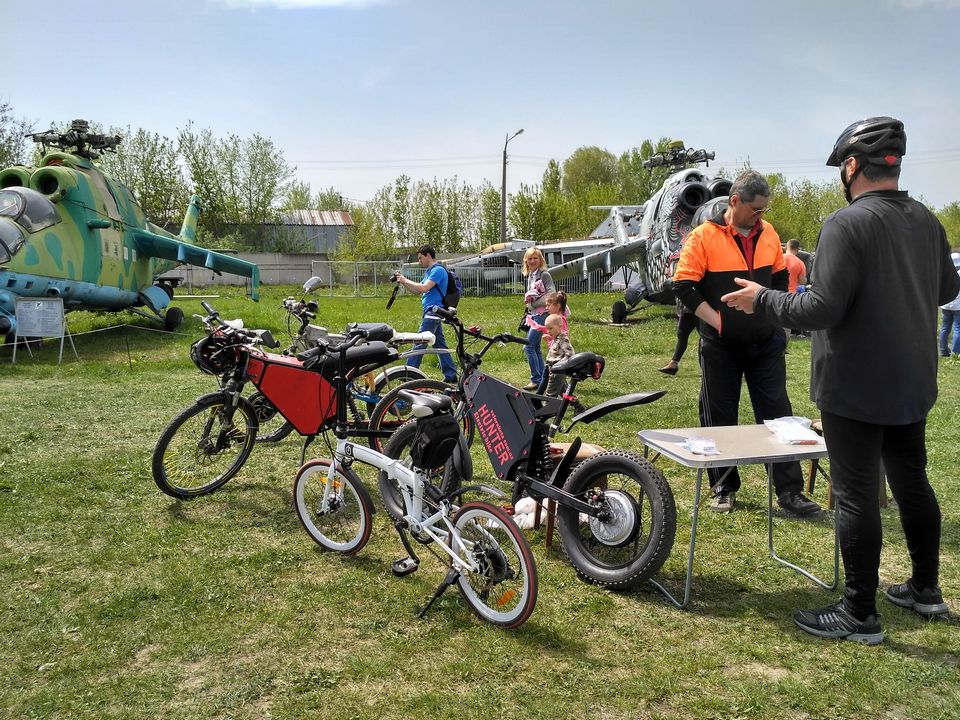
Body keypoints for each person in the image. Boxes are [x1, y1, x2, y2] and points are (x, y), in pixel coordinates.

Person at [721, 117, 959, 644]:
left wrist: (762, 299)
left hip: (854, 384)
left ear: (852, 166)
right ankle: (926, 589)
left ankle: (858, 612)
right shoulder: (926, 219)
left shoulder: (845, 224)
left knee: (855, 495)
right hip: (912, 377)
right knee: (912, 481)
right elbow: (946, 289)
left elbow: (821, 309)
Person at [672, 169, 821, 517]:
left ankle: (789, 491)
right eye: (756, 209)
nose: (761, 216)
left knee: (778, 414)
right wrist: (718, 322)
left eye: (764, 210)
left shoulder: (769, 233)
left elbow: (781, 279)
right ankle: (723, 486)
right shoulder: (703, 236)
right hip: (720, 346)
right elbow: (683, 286)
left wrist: (781, 324)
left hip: (765, 343)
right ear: (735, 201)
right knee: (719, 415)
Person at [393, 245, 458, 384]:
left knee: (420, 341)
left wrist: (405, 280)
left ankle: (408, 374)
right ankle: (451, 374)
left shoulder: (438, 270)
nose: (419, 261)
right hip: (430, 311)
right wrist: (403, 282)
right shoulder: (429, 272)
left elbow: (424, 288)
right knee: (439, 345)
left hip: (434, 311)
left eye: (420, 258)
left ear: (428, 255)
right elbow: (418, 291)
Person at [520, 247, 555, 391]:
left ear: (540, 260)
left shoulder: (544, 275)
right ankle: (542, 379)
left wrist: (533, 304)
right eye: (530, 258)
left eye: (535, 258)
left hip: (542, 314)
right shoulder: (530, 275)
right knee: (535, 347)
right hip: (534, 315)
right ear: (526, 261)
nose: (533, 261)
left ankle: (536, 379)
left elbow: (551, 295)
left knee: (528, 346)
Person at [658, 305, 698, 375]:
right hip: (687, 309)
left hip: (700, 308)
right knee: (682, 335)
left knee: (705, 338)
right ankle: (673, 363)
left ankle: (707, 369)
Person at [938, 252, 960, 357]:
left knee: (945, 328)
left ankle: (943, 351)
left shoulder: (944, 273)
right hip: (958, 307)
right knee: (957, 328)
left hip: (945, 305)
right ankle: (956, 353)